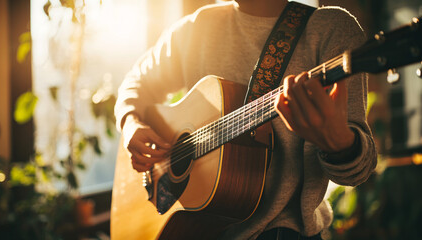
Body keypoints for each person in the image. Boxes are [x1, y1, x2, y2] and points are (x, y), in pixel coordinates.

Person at [114, 0, 378, 239]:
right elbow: (134, 84)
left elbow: (360, 169)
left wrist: (339, 143)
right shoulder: (196, 27)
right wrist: (130, 123)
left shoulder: (330, 29)